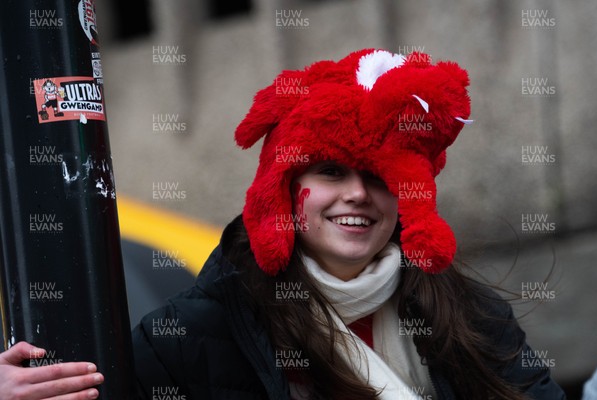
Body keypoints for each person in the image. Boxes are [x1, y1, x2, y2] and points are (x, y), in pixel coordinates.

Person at [0, 49, 566, 399]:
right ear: (286, 189)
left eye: (377, 174)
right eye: (330, 170)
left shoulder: (472, 316)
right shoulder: (193, 337)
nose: (357, 195)